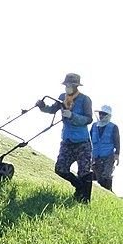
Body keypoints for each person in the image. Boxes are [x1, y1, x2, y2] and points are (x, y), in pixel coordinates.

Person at [37, 73, 94, 202]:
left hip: (82, 141)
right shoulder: (62, 97)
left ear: (76, 86)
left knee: (84, 171)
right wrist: (42, 107)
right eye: (66, 84)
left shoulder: (85, 100)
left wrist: (72, 116)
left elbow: (88, 119)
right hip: (67, 139)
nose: (67, 87)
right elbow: (52, 110)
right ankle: (78, 186)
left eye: (70, 85)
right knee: (60, 169)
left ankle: (85, 199)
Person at [90, 104, 120, 191]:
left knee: (106, 176)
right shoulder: (94, 126)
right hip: (96, 156)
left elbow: (117, 142)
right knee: (100, 179)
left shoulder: (114, 127)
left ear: (108, 116)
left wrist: (117, 154)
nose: (101, 116)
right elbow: (89, 139)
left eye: (104, 114)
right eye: (100, 113)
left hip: (108, 156)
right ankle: (109, 192)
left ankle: (110, 193)